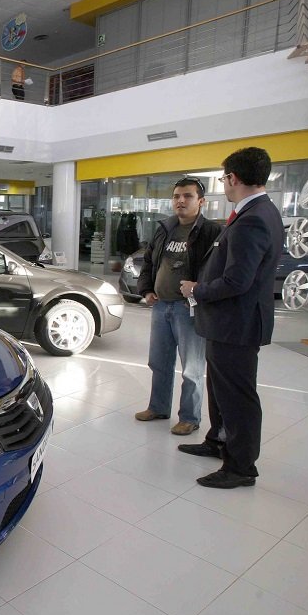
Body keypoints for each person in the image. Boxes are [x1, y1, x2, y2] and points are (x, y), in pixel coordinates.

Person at [177, 147, 284, 489]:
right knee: (220, 389)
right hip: (227, 323)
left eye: (224, 178)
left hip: (236, 324)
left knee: (237, 396)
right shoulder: (257, 211)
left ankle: (240, 467)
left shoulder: (253, 218)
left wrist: (197, 289)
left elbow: (238, 281)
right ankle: (218, 440)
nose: (224, 184)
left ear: (233, 178)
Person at [134, 177, 221, 436]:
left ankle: (190, 418)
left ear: (201, 201)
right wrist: (146, 289)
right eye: (176, 196)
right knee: (159, 362)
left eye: (187, 196)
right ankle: (158, 407)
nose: (180, 201)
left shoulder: (211, 232)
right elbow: (149, 261)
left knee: (192, 368)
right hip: (161, 306)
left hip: (189, 308)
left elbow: (217, 269)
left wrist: (199, 289)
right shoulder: (165, 228)